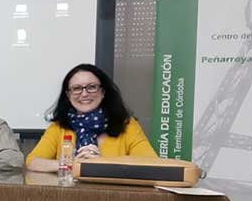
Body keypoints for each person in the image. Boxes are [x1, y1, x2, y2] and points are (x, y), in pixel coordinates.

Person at [26, 63, 156, 171]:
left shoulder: (127, 125)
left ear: (103, 92)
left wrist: (101, 164)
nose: (84, 94)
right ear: (68, 95)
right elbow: (32, 162)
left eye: (91, 87)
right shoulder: (59, 127)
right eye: (76, 88)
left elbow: (151, 164)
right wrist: (72, 164)